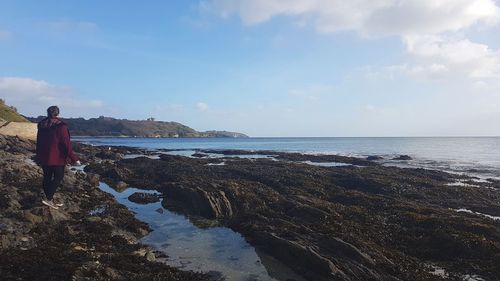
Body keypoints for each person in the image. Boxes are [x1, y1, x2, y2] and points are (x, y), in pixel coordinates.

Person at [36, 106, 80, 209]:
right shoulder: (61, 126)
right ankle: (49, 199)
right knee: (58, 177)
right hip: (57, 157)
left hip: (43, 156)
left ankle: (49, 199)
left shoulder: (42, 125)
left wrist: (38, 155)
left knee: (47, 177)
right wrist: (74, 158)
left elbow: (39, 141)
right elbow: (66, 144)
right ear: (57, 113)